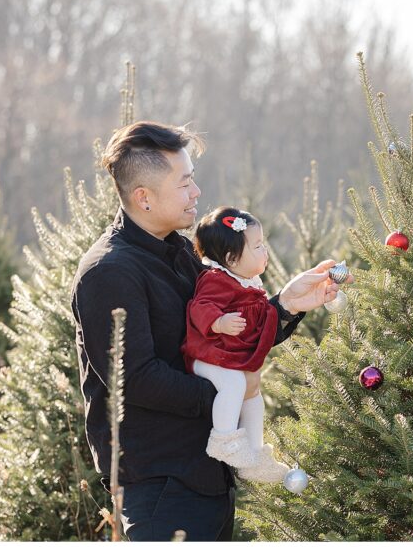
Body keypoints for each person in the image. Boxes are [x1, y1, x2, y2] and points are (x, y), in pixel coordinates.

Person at [71, 121, 343, 541]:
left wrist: (286, 305)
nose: (196, 192)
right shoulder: (110, 273)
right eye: (184, 183)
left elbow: (220, 341)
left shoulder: (180, 253)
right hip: (162, 485)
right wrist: (234, 391)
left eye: (193, 179)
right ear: (143, 197)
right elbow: (136, 381)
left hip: (204, 476)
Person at [182, 207, 293, 483]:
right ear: (231, 258)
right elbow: (199, 306)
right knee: (234, 385)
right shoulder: (216, 279)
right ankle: (224, 438)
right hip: (206, 355)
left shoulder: (245, 281)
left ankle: (254, 455)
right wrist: (217, 322)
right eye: (257, 246)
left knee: (252, 395)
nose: (264, 251)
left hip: (227, 356)